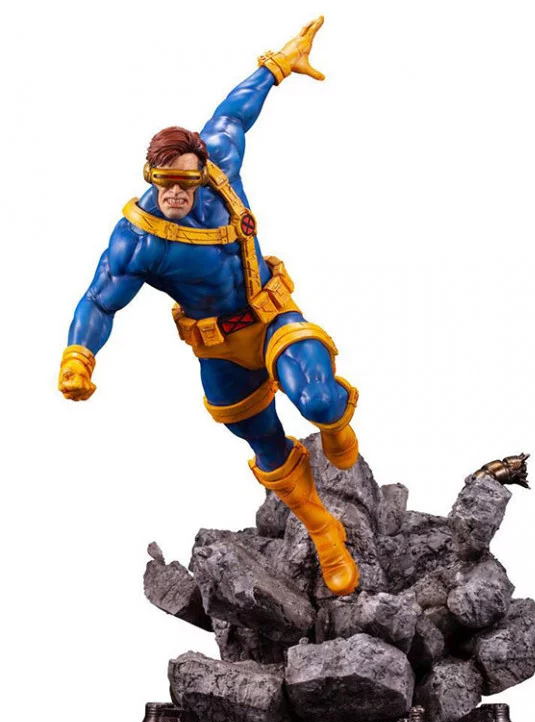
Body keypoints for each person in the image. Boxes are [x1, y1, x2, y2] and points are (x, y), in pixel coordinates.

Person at [58, 17, 360, 596]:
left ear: (201, 173)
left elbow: (234, 113)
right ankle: (325, 533)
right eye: (164, 182)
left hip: (271, 316)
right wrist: (79, 356)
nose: (175, 193)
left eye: (185, 182)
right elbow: (99, 299)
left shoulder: (221, 165)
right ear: (151, 176)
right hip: (218, 348)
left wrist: (277, 65)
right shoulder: (138, 239)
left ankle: (338, 421)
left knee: (321, 401)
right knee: (265, 445)